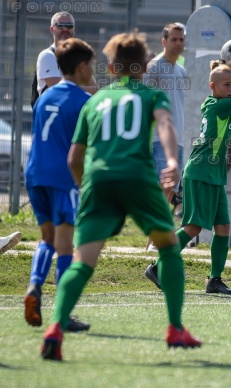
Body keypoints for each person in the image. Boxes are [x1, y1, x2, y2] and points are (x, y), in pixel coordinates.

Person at [41, 32, 201, 361]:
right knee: (169, 250)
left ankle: (55, 328)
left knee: (82, 263)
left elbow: (74, 158)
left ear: (111, 67)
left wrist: (87, 187)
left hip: (99, 182)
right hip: (138, 180)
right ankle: (174, 328)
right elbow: (166, 125)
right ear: (144, 66)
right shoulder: (152, 96)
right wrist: (172, 160)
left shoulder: (95, 100)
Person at [144, 50, 231, 296]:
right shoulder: (221, 106)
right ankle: (157, 266)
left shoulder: (222, 103)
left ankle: (215, 280)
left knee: (222, 227)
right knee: (193, 227)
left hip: (214, 175)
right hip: (200, 172)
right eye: (226, 84)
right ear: (213, 86)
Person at [24, 38, 95, 332]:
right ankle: (62, 314)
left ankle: (34, 285)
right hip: (62, 177)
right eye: (91, 64)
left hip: (35, 174)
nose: (93, 69)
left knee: (47, 239)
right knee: (67, 244)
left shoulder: (44, 98)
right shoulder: (83, 101)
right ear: (81, 67)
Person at [143, 23, 187, 248]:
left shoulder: (181, 70)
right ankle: (154, 242)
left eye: (181, 40)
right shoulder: (154, 67)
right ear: (164, 41)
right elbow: (145, 102)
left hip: (177, 139)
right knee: (164, 189)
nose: (178, 43)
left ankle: (154, 239)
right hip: (158, 139)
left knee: (170, 192)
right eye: (174, 39)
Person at [36, 12, 97, 97]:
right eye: (60, 25)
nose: (65, 29)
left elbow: (95, 89)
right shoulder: (47, 55)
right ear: (52, 29)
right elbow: (57, 91)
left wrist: (69, 88)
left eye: (69, 25)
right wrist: (80, 88)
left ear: (74, 29)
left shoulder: (78, 57)